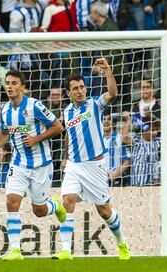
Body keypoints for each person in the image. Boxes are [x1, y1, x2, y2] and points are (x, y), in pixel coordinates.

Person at [52, 58, 130, 260]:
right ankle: (66, 251)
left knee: (105, 212)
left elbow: (113, 93)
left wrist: (108, 71)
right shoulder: (67, 111)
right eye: (75, 88)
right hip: (74, 165)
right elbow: (69, 135)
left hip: (94, 166)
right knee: (68, 200)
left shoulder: (95, 105)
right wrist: (64, 158)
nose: (80, 91)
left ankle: (122, 243)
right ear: (68, 93)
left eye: (82, 87)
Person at [0, 70, 66, 261]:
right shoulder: (5, 110)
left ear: (22, 87)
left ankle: (55, 205)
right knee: (11, 201)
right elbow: (5, 132)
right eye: (7, 83)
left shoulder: (35, 106)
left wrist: (36, 139)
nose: (10, 86)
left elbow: (58, 126)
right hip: (18, 163)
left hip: (41, 164)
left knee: (39, 211)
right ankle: (15, 251)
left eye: (14, 83)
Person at [122, 113, 161, 186]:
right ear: (144, 130)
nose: (155, 133)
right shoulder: (137, 140)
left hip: (152, 186)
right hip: (136, 184)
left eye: (156, 130)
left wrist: (152, 116)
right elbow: (124, 139)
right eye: (152, 130)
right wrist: (128, 120)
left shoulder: (158, 142)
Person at [103, 113, 130, 187]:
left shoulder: (119, 138)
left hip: (116, 179)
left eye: (109, 119)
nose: (106, 121)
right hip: (100, 179)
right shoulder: (97, 140)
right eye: (103, 119)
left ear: (114, 124)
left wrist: (115, 174)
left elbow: (126, 162)